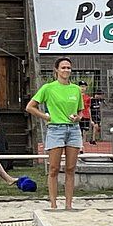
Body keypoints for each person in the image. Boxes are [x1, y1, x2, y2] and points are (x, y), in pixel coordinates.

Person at [25, 57, 84, 211]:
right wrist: (46, 116)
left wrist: (78, 117)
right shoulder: (48, 88)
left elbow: (80, 111)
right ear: (56, 70)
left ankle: (69, 204)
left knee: (71, 168)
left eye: (69, 68)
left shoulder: (76, 89)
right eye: (63, 67)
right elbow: (30, 107)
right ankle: (53, 204)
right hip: (55, 129)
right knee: (54, 168)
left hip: (73, 130)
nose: (66, 70)